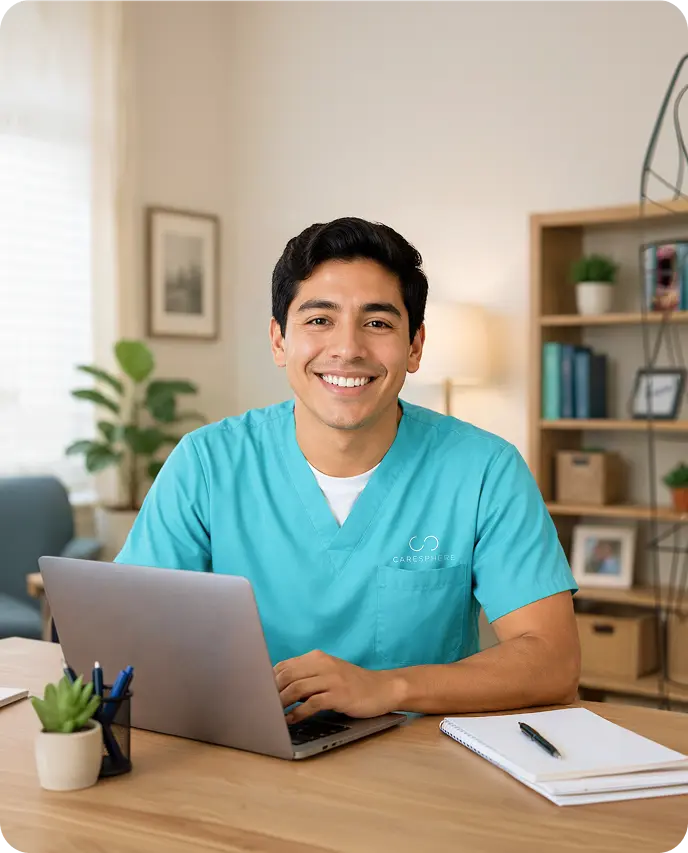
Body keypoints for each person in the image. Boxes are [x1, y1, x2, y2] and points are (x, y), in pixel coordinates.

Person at [115, 217, 580, 724]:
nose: (348, 348)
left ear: (415, 346)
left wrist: (388, 687)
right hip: (247, 755)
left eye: (377, 323)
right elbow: (127, 632)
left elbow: (554, 662)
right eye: (319, 320)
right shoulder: (206, 464)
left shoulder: (485, 470)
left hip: (422, 772)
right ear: (278, 340)